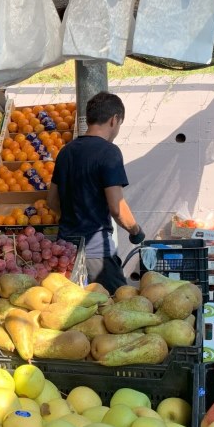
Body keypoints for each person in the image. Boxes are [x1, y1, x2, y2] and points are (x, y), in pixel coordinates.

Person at [47, 91, 145, 292]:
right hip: (97, 254)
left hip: (65, 251)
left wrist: (72, 220)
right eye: (119, 124)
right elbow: (117, 208)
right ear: (114, 120)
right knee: (120, 305)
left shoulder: (66, 152)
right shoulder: (109, 152)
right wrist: (136, 231)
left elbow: (52, 201)